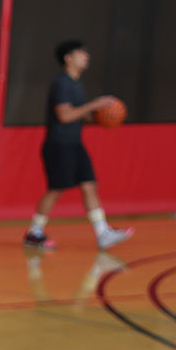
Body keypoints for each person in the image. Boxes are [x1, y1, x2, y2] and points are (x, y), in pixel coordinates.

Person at [24, 40, 131, 251]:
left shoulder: (76, 83)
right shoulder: (62, 83)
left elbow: (77, 114)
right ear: (68, 58)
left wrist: (102, 117)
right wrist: (94, 104)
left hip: (74, 144)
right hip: (59, 144)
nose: (86, 56)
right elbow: (64, 115)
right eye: (82, 53)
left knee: (89, 185)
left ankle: (103, 233)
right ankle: (34, 233)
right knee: (56, 189)